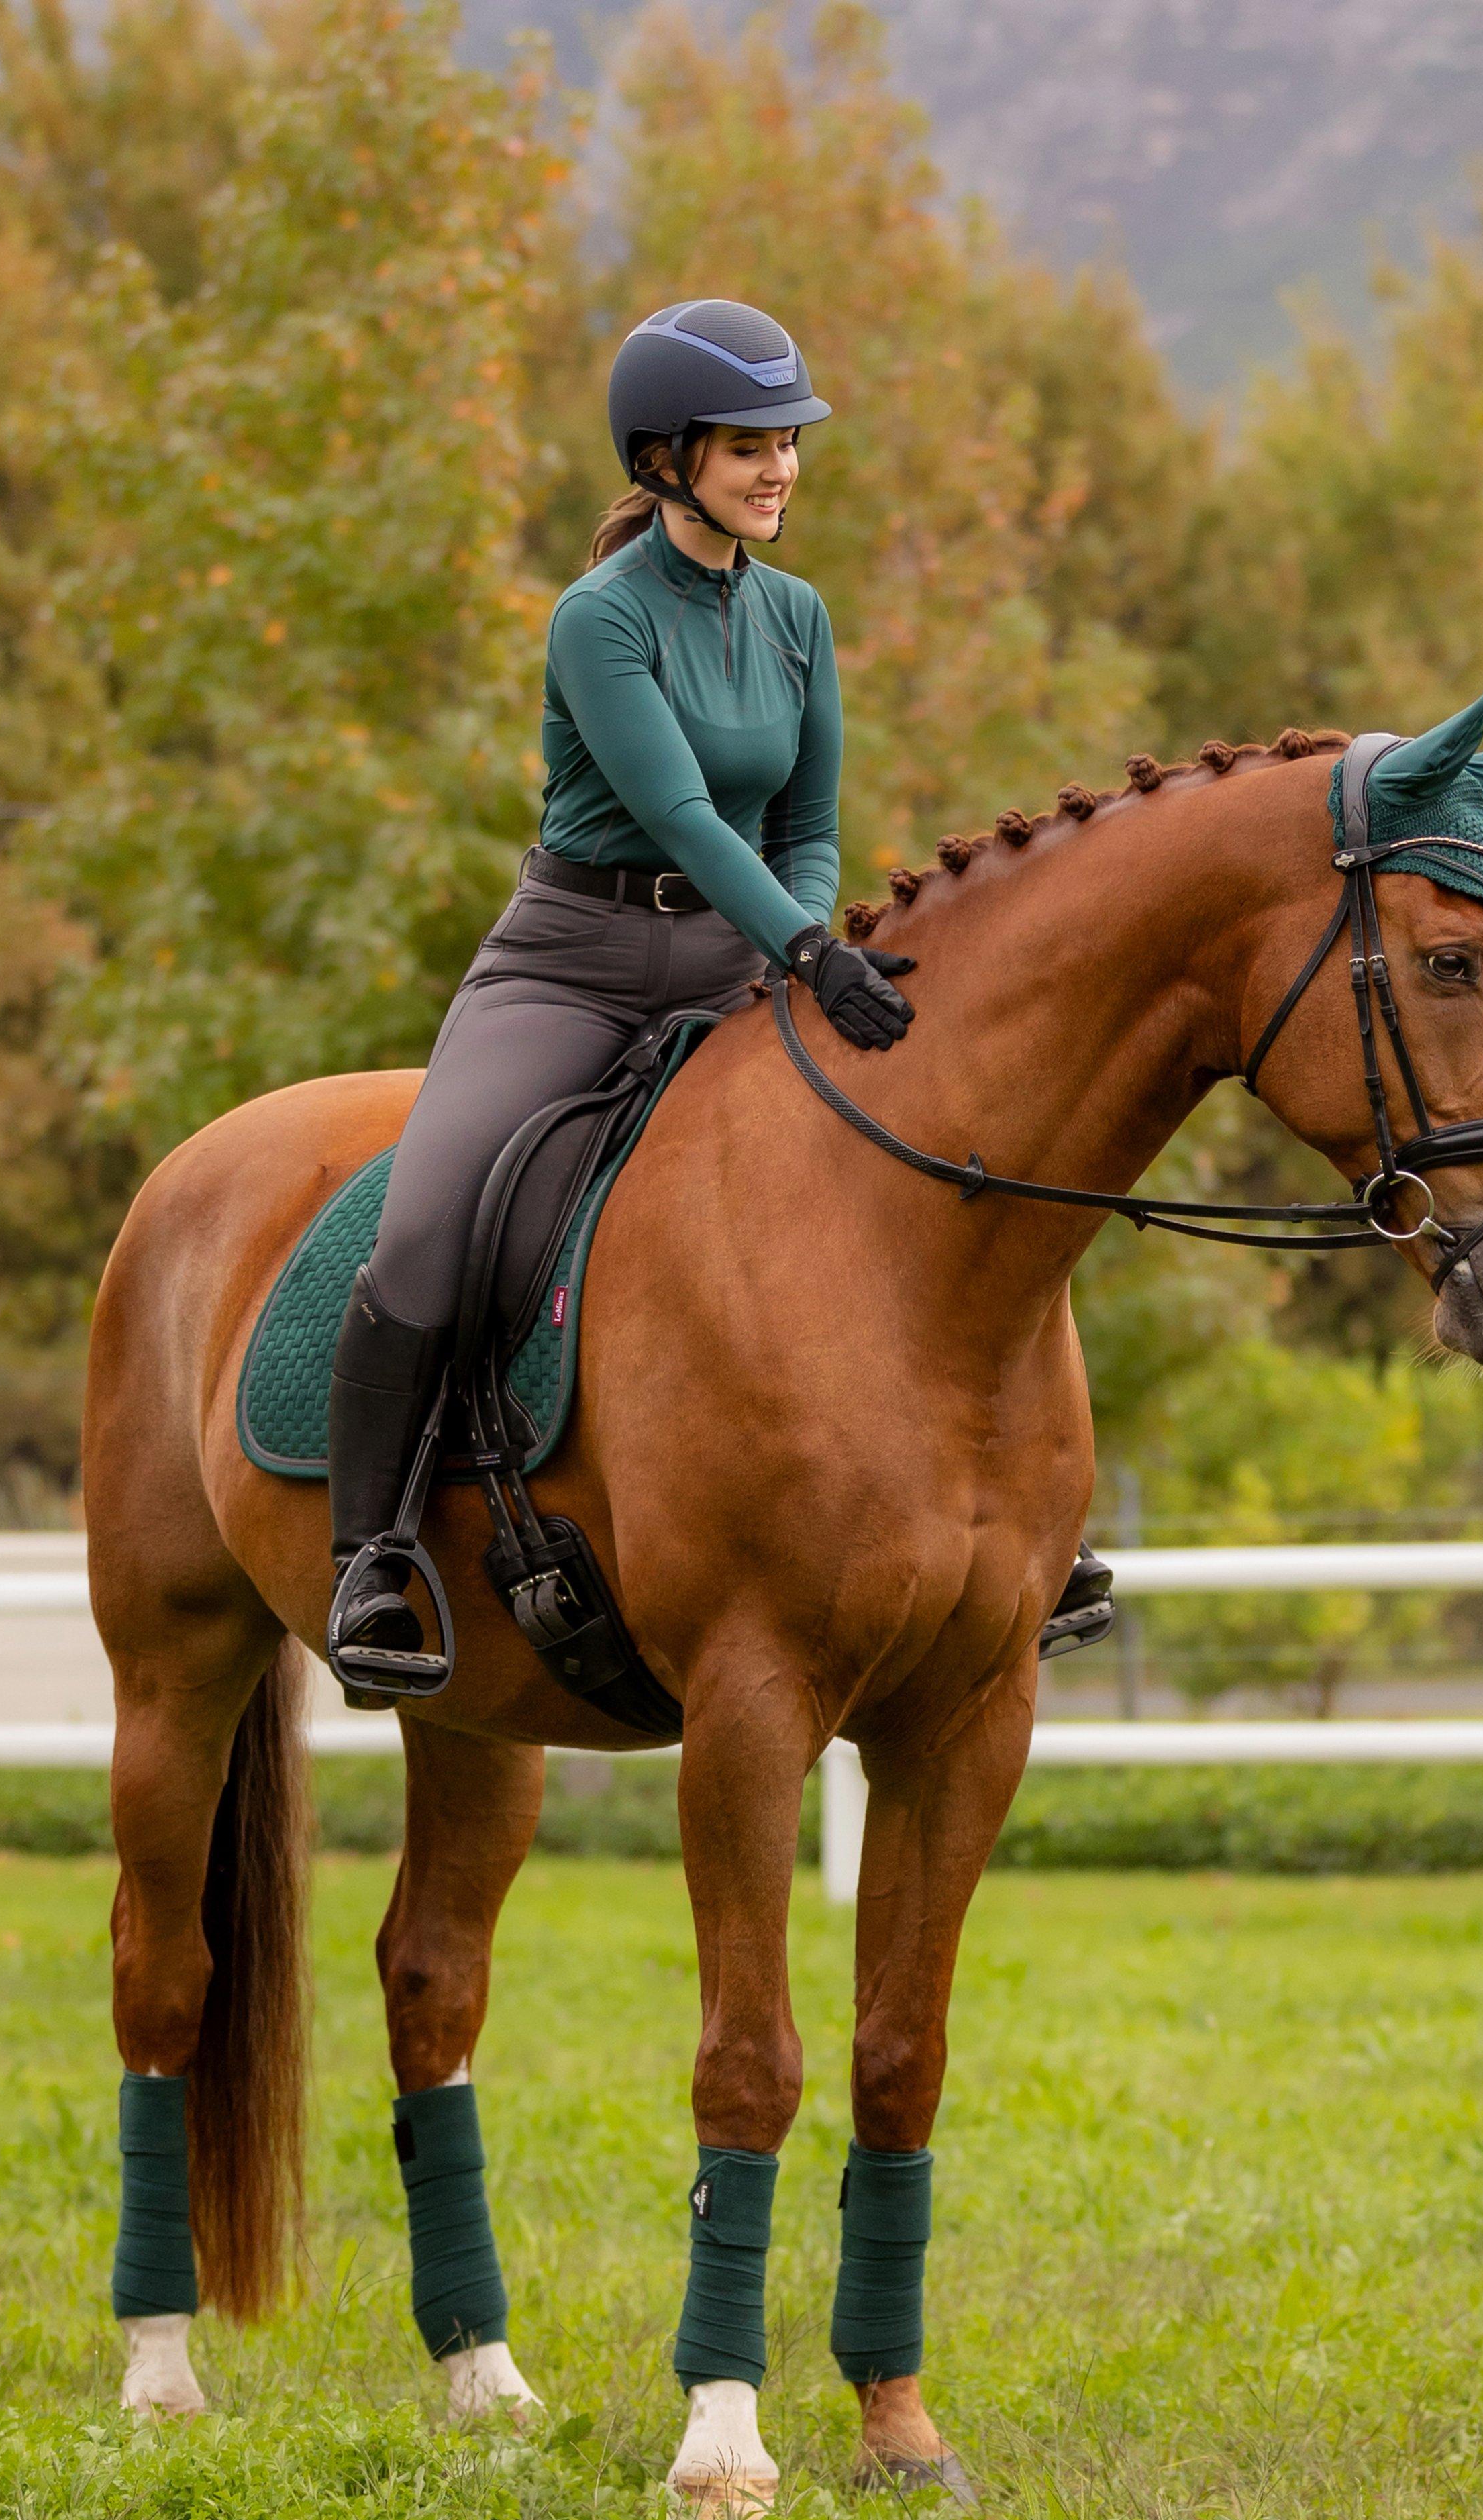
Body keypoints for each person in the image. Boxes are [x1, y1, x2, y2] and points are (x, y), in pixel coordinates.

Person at [325, 298, 1105, 1697]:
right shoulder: (596, 620)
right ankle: (370, 1556)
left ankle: (1022, 1513)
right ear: (667, 456)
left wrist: (800, 934)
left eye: (788, 444)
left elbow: (806, 818)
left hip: (747, 951)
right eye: (748, 446)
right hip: (572, 961)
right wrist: (806, 954)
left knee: (944, 1158)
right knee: (429, 1223)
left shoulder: (798, 617)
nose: (778, 469)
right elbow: (680, 812)